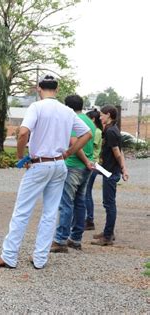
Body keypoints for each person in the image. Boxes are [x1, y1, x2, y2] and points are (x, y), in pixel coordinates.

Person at [0, 75, 92, 269]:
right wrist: (69, 151)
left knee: (22, 210)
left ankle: (9, 256)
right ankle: (40, 258)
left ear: (39, 88)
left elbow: (24, 132)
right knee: (50, 212)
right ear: (57, 88)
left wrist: (20, 157)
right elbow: (87, 134)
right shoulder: (67, 111)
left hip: (39, 163)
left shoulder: (37, 107)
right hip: (59, 164)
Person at [50, 95, 96, 253]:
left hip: (74, 166)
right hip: (87, 168)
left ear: (67, 107)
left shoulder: (71, 119)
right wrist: (88, 162)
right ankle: (76, 238)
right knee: (80, 202)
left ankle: (60, 240)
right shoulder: (90, 121)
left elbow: (74, 142)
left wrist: (81, 159)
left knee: (66, 203)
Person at [91, 105, 129, 246]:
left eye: (102, 115)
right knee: (108, 203)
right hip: (108, 169)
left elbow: (117, 152)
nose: (100, 117)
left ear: (108, 115)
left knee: (109, 204)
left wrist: (123, 168)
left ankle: (107, 236)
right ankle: (108, 232)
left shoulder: (111, 131)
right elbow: (119, 151)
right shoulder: (110, 130)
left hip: (111, 172)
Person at [84, 109, 103, 230]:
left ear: (93, 119)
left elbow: (91, 144)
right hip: (92, 163)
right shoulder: (96, 130)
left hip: (93, 163)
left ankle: (89, 219)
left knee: (86, 192)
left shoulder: (96, 131)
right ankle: (88, 218)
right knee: (86, 192)